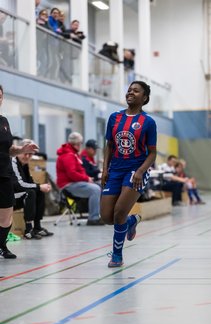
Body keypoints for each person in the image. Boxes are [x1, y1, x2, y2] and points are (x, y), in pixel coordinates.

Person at [100, 81, 157, 267]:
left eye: (136, 90)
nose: (130, 92)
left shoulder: (148, 122)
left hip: (136, 170)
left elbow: (153, 153)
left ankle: (117, 256)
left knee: (118, 213)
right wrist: (105, 169)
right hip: (115, 169)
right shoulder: (114, 117)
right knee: (107, 217)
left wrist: (141, 170)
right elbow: (109, 145)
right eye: (129, 90)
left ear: (144, 98)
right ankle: (132, 221)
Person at [0, 85, 39, 259]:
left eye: (0, 96)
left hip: (4, 174)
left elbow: (9, 149)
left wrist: (22, 149)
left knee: (6, 218)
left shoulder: (4, 121)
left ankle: (2, 246)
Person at [56, 132, 104, 225]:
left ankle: (100, 214)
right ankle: (93, 218)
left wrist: (87, 178)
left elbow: (78, 171)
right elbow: (72, 174)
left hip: (74, 182)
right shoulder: (68, 155)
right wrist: (87, 179)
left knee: (100, 186)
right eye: (80, 143)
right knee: (95, 189)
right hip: (68, 185)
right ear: (77, 144)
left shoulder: (73, 154)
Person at [12, 139, 54, 239]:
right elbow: (19, 185)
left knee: (39, 192)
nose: (27, 157)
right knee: (30, 193)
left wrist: (42, 187)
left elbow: (30, 183)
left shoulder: (25, 164)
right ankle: (28, 229)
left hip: (18, 194)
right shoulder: (13, 162)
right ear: (19, 151)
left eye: (30, 154)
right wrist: (39, 186)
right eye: (25, 153)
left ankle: (37, 227)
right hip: (8, 196)